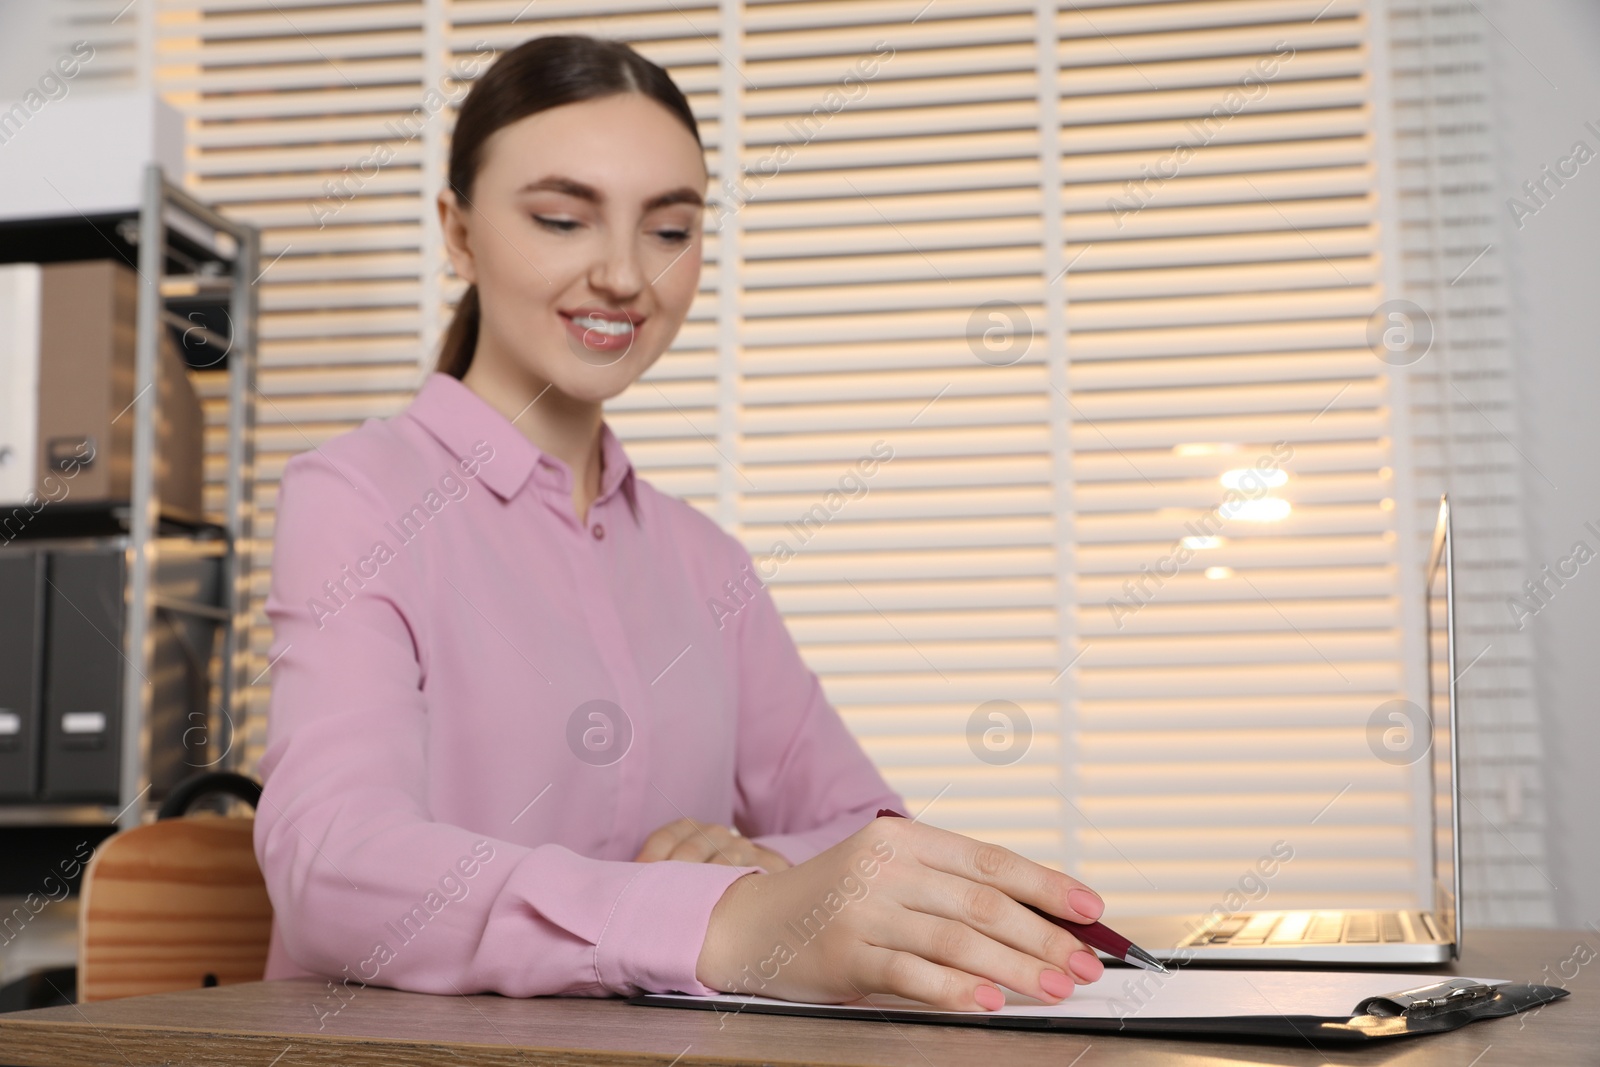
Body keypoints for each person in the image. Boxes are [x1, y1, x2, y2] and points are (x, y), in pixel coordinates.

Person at [255, 34, 1107, 1014]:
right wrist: (716, 918)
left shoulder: (705, 562)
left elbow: (862, 825)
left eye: (668, 230)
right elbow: (330, 866)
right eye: (563, 217)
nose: (623, 275)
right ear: (458, 231)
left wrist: (748, 871)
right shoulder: (357, 495)